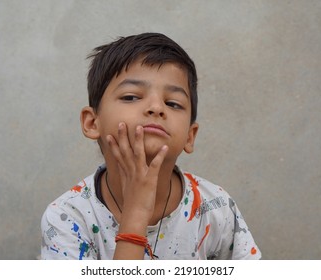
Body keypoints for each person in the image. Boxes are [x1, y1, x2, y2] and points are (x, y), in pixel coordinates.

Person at [41, 32, 261, 260]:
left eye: (173, 103)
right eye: (131, 97)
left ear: (189, 136)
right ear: (92, 122)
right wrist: (135, 215)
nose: (156, 107)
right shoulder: (67, 218)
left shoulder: (216, 208)